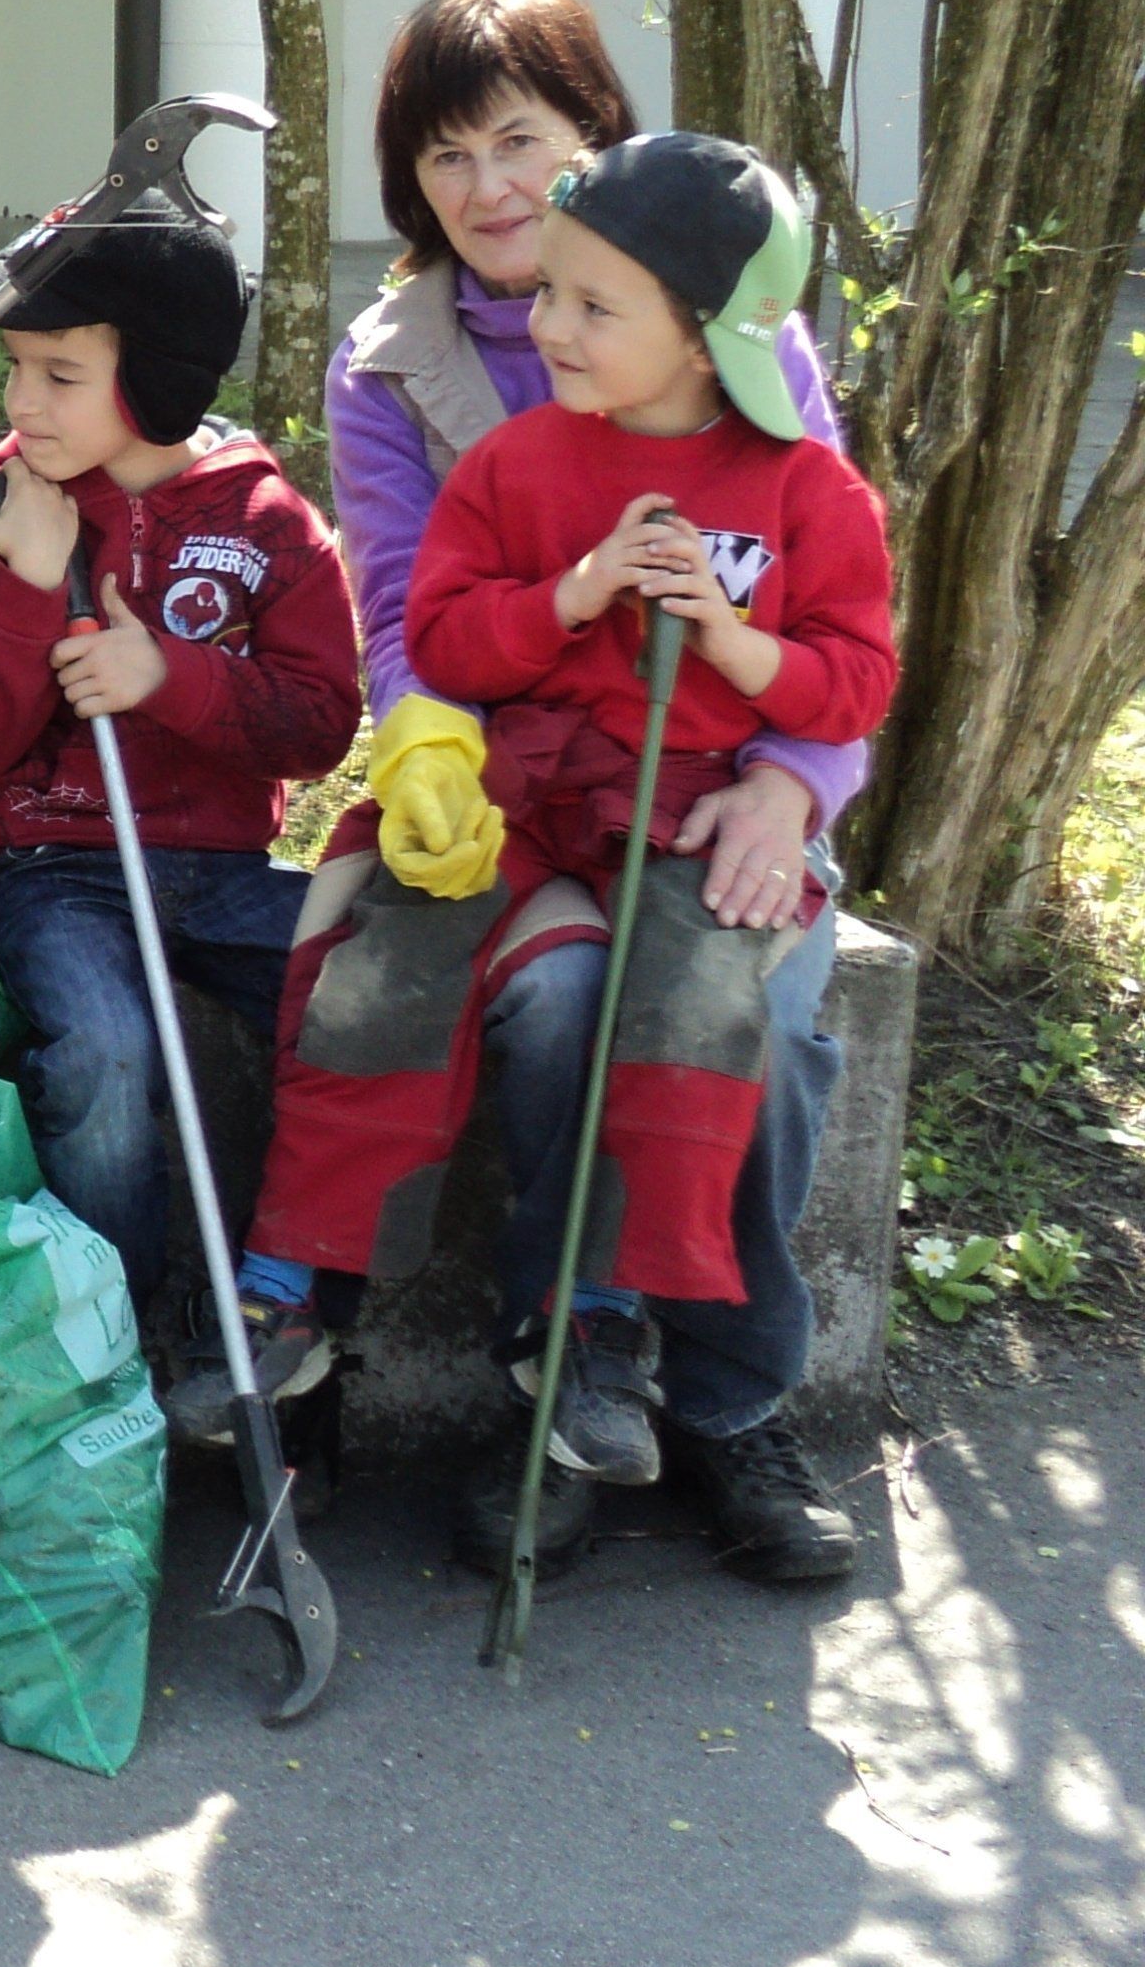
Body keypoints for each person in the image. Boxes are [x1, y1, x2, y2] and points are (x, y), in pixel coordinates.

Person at [192, 136, 897, 1527]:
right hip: (524, 794)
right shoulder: (517, 466)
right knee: (384, 968)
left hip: (689, 815)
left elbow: (856, 682)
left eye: (591, 305)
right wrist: (574, 594)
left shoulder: (809, 492)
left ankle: (609, 1337)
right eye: (550, 295)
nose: (549, 326)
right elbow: (447, 640)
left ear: (705, 334)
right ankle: (293, 1288)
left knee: (694, 1009)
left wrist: (734, 646)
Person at [0, 204, 362, 1311]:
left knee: (360, 997)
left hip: (222, 867)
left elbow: (320, 726)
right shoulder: (1, 505)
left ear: (160, 381)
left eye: (59, 375)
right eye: (14, 366)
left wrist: (171, 677)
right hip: (54, 870)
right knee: (103, 1054)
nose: (20, 403)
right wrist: (35, 584)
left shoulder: (265, 521)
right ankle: (117, 1324)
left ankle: (290, 1307)